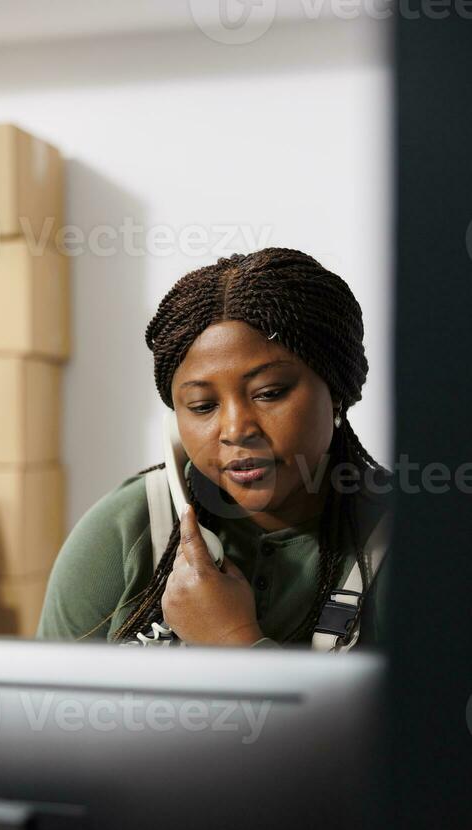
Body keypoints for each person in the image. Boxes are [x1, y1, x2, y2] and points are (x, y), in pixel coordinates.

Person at [36, 248, 393, 649]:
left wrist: (233, 640)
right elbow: (47, 708)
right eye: (203, 406)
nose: (236, 430)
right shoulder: (127, 530)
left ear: (337, 392)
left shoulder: (422, 539)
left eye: (270, 393)